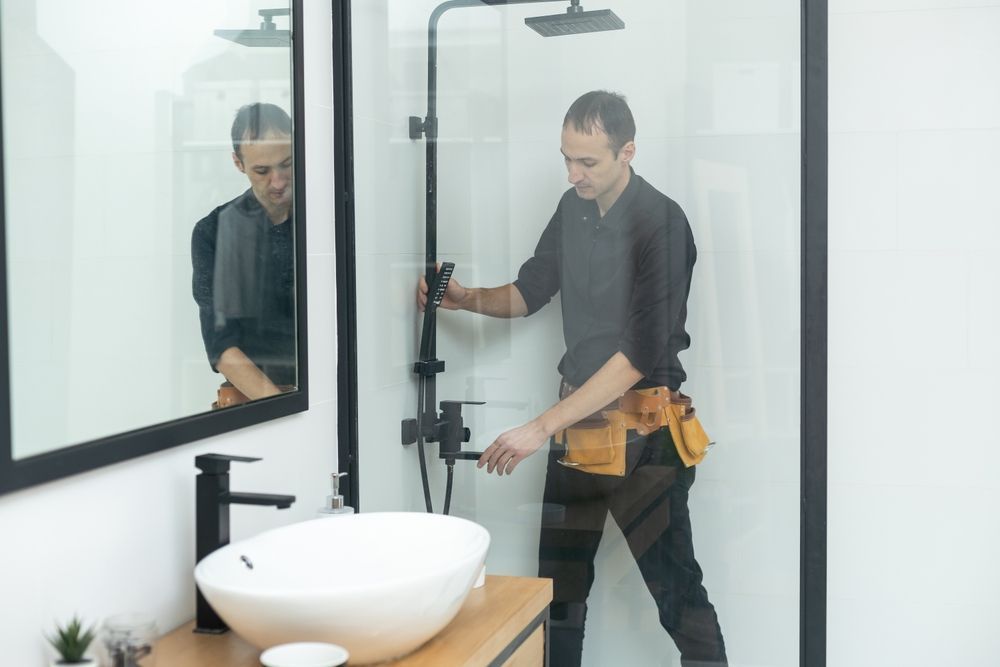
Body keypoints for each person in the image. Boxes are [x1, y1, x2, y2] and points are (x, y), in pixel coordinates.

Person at [418, 91, 727, 666]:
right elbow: (530, 290)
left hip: (646, 438)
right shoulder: (572, 208)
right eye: (567, 158)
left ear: (627, 151)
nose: (573, 173)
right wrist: (464, 299)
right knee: (557, 600)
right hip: (577, 433)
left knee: (677, 597)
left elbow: (635, 358)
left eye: (588, 162)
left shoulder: (663, 222)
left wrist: (538, 429)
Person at [191, 102, 296, 405]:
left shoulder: (328, 219)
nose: (277, 182)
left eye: (287, 164)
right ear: (238, 163)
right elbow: (222, 347)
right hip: (257, 404)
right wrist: (283, 411)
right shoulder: (214, 232)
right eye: (262, 171)